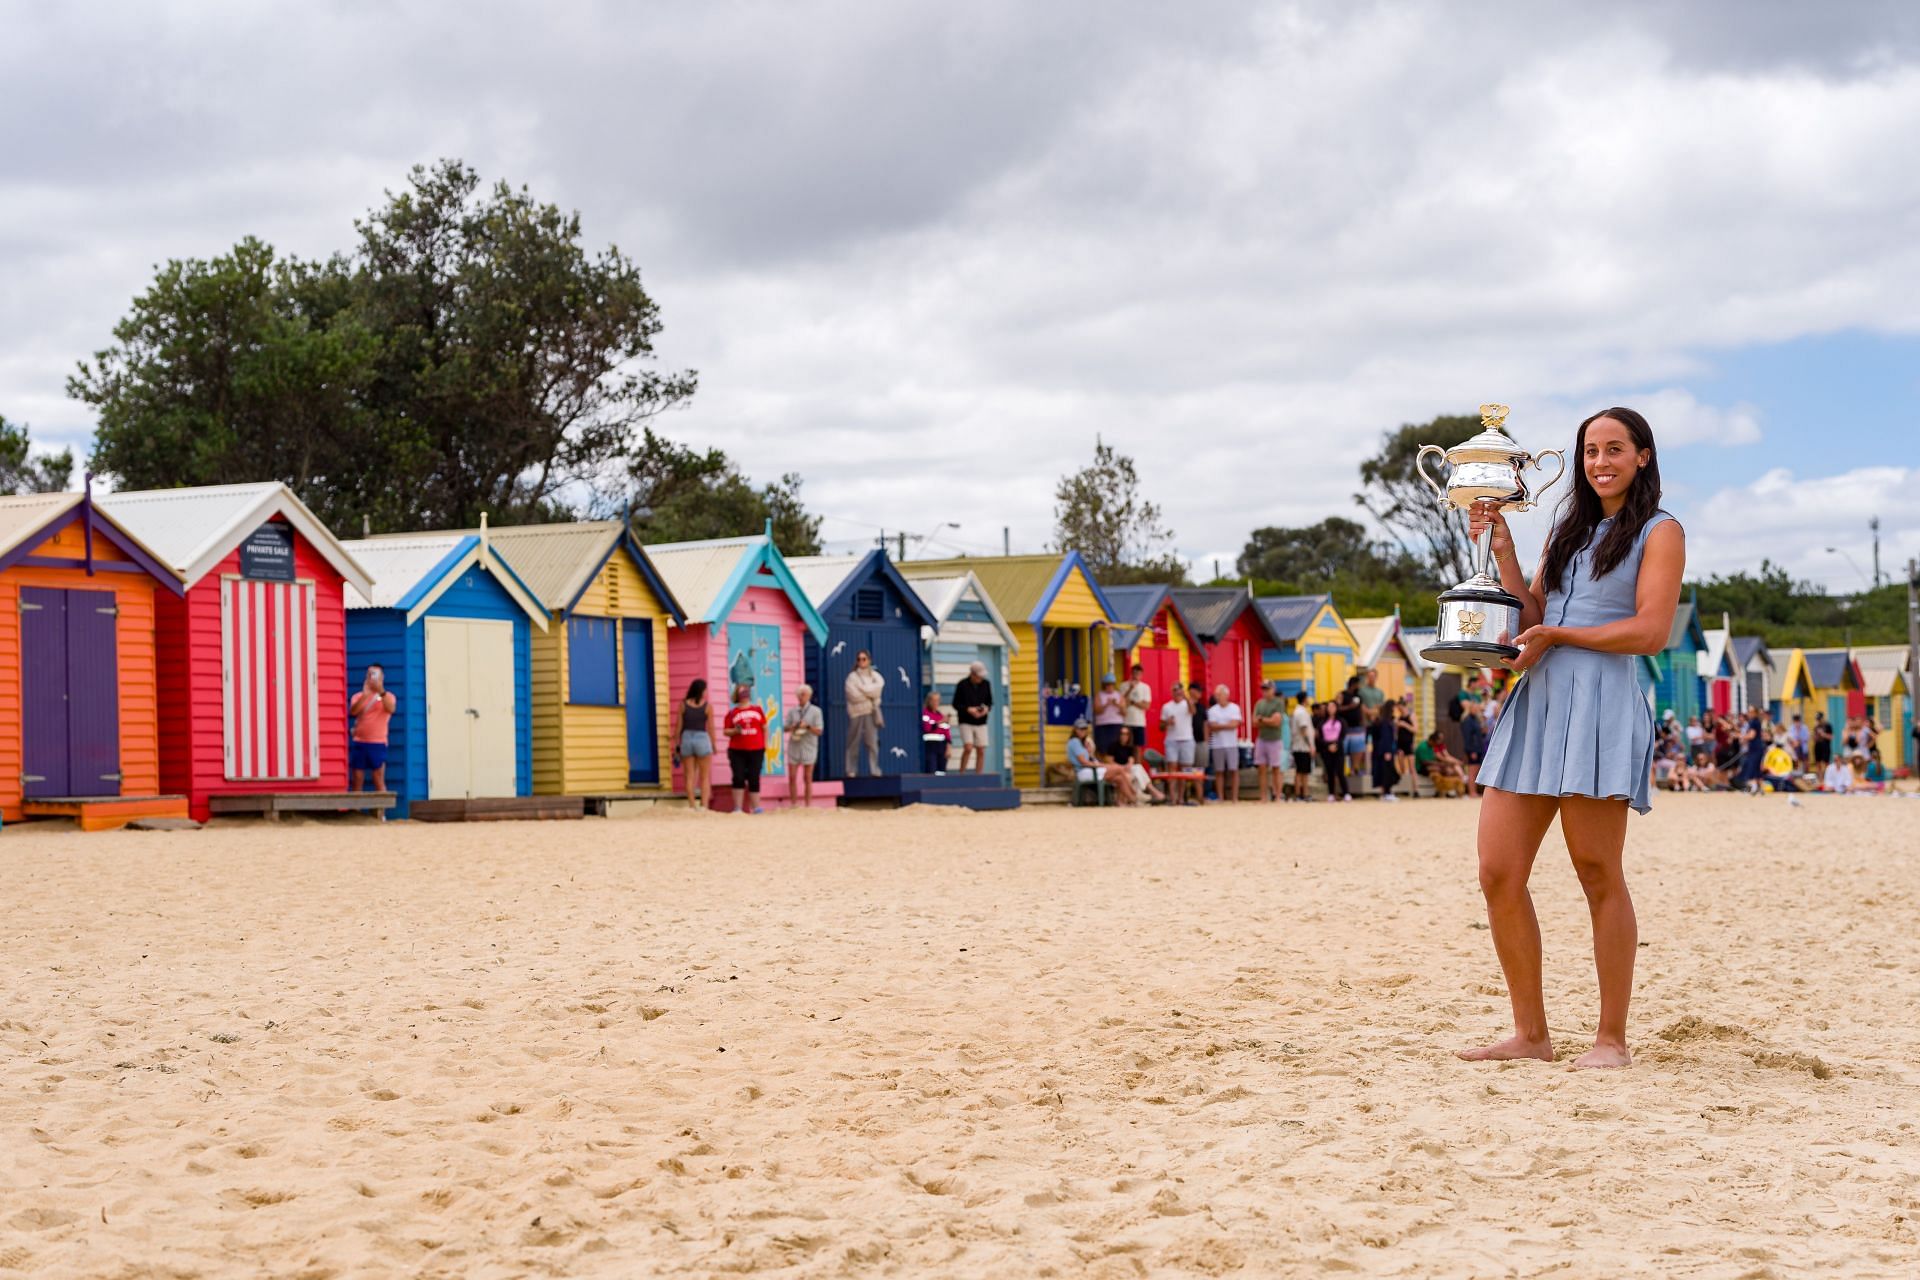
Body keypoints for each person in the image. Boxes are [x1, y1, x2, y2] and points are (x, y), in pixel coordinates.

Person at [1463, 406, 1685, 1071]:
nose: (1600, 462)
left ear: (1642, 456)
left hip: (1601, 704)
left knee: (1597, 872)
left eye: (1615, 449)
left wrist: (1560, 636)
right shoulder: (1568, 529)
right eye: (1590, 451)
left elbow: (1650, 633)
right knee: (1498, 872)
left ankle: (1610, 1040)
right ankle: (1531, 1035)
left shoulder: (1660, 530)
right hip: (1538, 702)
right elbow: (1533, 615)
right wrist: (1503, 552)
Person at [349, 664, 396, 813]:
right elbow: (354, 711)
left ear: (382, 677)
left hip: (378, 742)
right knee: (357, 777)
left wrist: (380, 691)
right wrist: (365, 694)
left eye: (375, 675)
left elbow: (391, 708)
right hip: (360, 741)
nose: (372, 678)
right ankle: (356, 811)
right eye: (370, 674)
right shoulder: (358, 696)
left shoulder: (388, 696)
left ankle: (380, 811)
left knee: (378, 777)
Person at [722, 683, 768, 814]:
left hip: (756, 748)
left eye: (746, 692)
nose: (744, 695)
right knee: (738, 777)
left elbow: (765, 728)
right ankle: (738, 808)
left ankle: (756, 807)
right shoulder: (732, 713)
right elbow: (726, 731)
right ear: (737, 695)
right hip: (737, 750)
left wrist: (765, 745)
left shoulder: (757, 710)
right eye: (742, 693)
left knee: (754, 777)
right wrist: (735, 731)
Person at [1066, 718, 1135, 804]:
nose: (1083, 731)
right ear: (1075, 729)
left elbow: (1089, 758)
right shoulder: (1075, 742)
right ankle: (1134, 795)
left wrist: (1089, 752)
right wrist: (1099, 765)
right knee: (1118, 769)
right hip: (1084, 772)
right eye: (1081, 728)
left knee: (1120, 778)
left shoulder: (1082, 742)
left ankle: (1131, 800)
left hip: (1090, 770)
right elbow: (1084, 762)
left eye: (1085, 728)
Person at [843, 650, 887, 777]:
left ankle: (874, 769)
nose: (861, 661)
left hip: (870, 712)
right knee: (853, 742)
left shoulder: (876, 676)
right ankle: (851, 769)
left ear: (869, 660)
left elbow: (878, 692)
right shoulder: (852, 677)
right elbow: (853, 695)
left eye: (864, 659)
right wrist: (869, 695)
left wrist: (864, 691)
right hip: (856, 713)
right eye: (859, 659)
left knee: (872, 742)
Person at [1159, 681, 1197, 806]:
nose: (1177, 693)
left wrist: (1186, 697)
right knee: (1172, 769)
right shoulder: (1167, 707)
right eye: (1175, 690)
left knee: (1185, 770)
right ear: (1172, 692)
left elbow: (1193, 711)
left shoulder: (1187, 703)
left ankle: (1181, 798)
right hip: (1172, 740)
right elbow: (1161, 726)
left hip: (1187, 739)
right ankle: (1173, 798)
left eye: (1179, 690)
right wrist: (1167, 722)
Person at [1252, 681, 1291, 802]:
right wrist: (1267, 720)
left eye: (1267, 689)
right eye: (1263, 689)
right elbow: (1254, 722)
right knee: (1261, 768)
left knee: (1276, 768)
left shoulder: (1278, 703)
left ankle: (1278, 795)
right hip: (1262, 739)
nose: (1265, 691)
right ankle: (1263, 797)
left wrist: (1262, 719)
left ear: (1273, 690)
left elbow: (1277, 722)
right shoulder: (1259, 703)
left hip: (1275, 740)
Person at [952, 662, 994, 774]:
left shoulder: (986, 684)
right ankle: (962, 773)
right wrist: (968, 709)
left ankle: (978, 775)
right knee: (968, 747)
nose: (981, 678)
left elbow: (989, 702)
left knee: (981, 749)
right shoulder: (962, 685)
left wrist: (985, 709)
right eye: (978, 676)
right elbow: (955, 704)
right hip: (966, 721)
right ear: (972, 674)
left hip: (981, 721)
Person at [679, 679, 714, 811]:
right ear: (701, 691)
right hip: (702, 738)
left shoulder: (683, 705)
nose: (706, 692)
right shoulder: (707, 706)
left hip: (687, 738)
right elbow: (710, 728)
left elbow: (678, 727)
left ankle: (692, 805)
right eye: (705, 689)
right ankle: (703, 806)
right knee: (704, 777)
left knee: (689, 776)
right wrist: (714, 744)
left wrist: (676, 742)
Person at [1205, 684, 1242, 803]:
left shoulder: (1234, 708)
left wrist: (1220, 725)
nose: (1217, 697)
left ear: (1226, 695)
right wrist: (1228, 724)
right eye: (1216, 695)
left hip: (1231, 744)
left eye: (1219, 694)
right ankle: (1221, 797)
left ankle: (1234, 797)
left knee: (1233, 770)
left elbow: (1235, 724)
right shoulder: (1212, 710)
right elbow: (1212, 727)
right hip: (1217, 744)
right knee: (1219, 771)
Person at [787, 684, 823, 806]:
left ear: (809, 696)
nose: (801, 697)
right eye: (799, 695)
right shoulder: (792, 711)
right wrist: (794, 726)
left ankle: (808, 804)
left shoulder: (816, 711)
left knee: (807, 777)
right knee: (792, 777)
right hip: (795, 745)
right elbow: (785, 728)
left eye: (804, 694)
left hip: (809, 745)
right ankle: (794, 803)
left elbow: (819, 731)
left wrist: (807, 726)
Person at [1108, 726, 1164, 803]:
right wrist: (1122, 767)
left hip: (1127, 770)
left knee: (1137, 769)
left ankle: (1140, 796)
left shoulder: (1129, 747)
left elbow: (1131, 759)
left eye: (1126, 734)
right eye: (1122, 733)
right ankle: (1150, 792)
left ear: (1129, 736)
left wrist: (1129, 765)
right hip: (1117, 771)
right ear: (1119, 735)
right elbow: (1110, 762)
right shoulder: (1113, 746)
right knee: (1136, 770)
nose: (1124, 736)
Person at [1337, 676, 1368, 792]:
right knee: (1343, 753)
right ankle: (1341, 774)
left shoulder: (1359, 697)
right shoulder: (1342, 695)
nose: (1359, 686)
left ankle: (1354, 771)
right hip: (1345, 729)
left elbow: (1361, 711)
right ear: (1352, 684)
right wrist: (1350, 707)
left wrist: (1364, 724)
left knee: (1357, 751)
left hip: (1357, 729)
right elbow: (1337, 708)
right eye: (1358, 684)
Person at [1415, 731, 1466, 797]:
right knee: (1441, 769)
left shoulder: (1431, 747)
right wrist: (1439, 764)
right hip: (1421, 768)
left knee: (1448, 770)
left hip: (1431, 765)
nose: (1436, 745)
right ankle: (1440, 791)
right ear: (1432, 741)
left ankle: (1445, 790)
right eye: (1436, 743)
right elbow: (1424, 762)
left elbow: (1442, 757)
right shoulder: (1423, 747)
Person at [1315, 701, 1348, 802]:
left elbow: (1343, 735)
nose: (1331, 708)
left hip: (1338, 748)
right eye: (1329, 706)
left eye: (1333, 706)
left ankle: (1346, 792)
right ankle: (1331, 793)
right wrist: (1327, 745)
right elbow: (1319, 737)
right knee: (1329, 772)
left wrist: (1336, 744)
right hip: (1326, 748)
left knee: (1340, 771)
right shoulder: (1322, 722)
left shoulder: (1341, 721)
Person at [1119, 663, 1153, 753]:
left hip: (1139, 722)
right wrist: (1130, 689)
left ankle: (1138, 766)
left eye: (1138, 673)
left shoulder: (1145, 687)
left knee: (1138, 747)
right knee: (1126, 745)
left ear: (1141, 675)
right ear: (1131, 673)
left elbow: (1147, 706)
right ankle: (1127, 766)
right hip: (1126, 721)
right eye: (1134, 673)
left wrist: (1133, 702)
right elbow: (1121, 702)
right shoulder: (1123, 685)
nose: (1136, 676)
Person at [1369, 702, 1400, 801]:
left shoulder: (1381, 722)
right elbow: (1385, 738)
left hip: (1379, 751)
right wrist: (1387, 751)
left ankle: (1385, 792)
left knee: (1384, 772)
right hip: (1385, 751)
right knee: (1387, 772)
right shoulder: (1385, 723)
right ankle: (1387, 792)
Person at [1459, 699, 1489, 797]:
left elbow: (1478, 734)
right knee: (1472, 772)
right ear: (1470, 709)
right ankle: (1471, 792)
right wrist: (1471, 750)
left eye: (1477, 708)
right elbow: (1468, 737)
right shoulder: (1467, 720)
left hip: (1478, 748)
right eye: (1474, 708)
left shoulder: (1475, 719)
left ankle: (1474, 791)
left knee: (1476, 771)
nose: (1476, 710)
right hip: (1473, 749)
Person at [1290, 693, 1315, 803]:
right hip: (1302, 746)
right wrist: (1310, 745)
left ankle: (1301, 794)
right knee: (1302, 772)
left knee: (1301, 771)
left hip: (1298, 746)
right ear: (1305, 699)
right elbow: (1303, 730)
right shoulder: (1302, 713)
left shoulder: (1297, 712)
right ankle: (1302, 794)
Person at [1092, 676, 1125, 756]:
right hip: (1102, 725)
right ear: (1104, 685)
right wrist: (1106, 704)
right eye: (1107, 685)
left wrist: (1116, 704)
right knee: (1102, 747)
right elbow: (1096, 711)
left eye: (1111, 685)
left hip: (1116, 724)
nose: (1109, 687)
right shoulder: (1099, 695)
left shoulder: (1119, 695)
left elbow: (1124, 712)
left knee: (1115, 747)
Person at [919, 691, 951, 774]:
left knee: (941, 770)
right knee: (931, 768)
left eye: (937, 700)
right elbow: (927, 728)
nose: (935, 703)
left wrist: (948, 749)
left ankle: (941, 786)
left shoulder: (941, 715)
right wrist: (940, 722)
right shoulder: (925, 714)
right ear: (928, 701)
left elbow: (947, 735)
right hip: (930, 746)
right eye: (933, 700)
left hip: (941, 746)